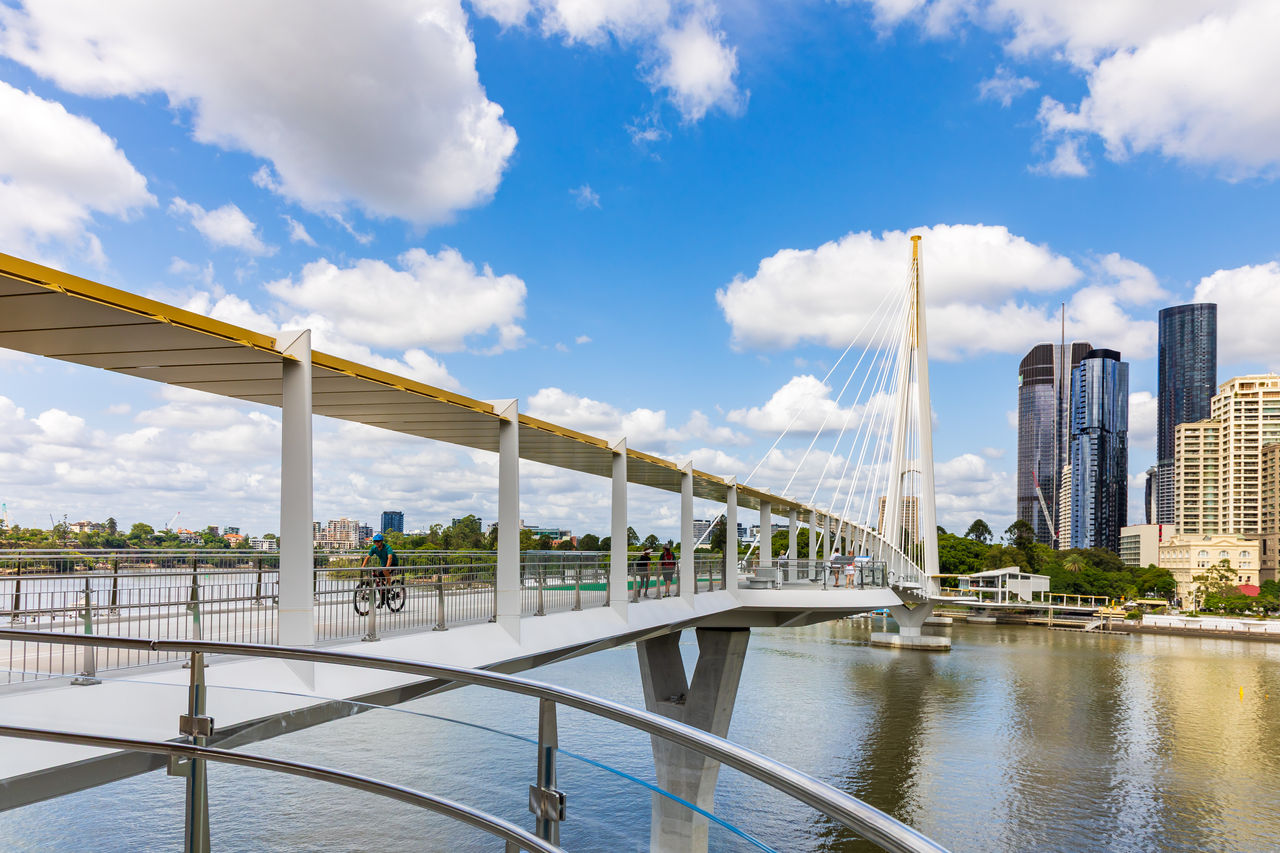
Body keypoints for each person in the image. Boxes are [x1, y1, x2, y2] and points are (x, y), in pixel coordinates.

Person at [361, 532, 398, 604]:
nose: (376, 543)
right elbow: (367, 557)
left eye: (378, 541)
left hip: (393, 563)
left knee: (385, 571)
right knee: (379, 580)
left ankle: (389, 587)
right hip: (384, 564)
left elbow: (390, 558)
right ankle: (383, 597)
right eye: (375, 541)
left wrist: (387, 567)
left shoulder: (387, 547)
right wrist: (363, 566)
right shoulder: (374, 548)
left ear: (381, 542)